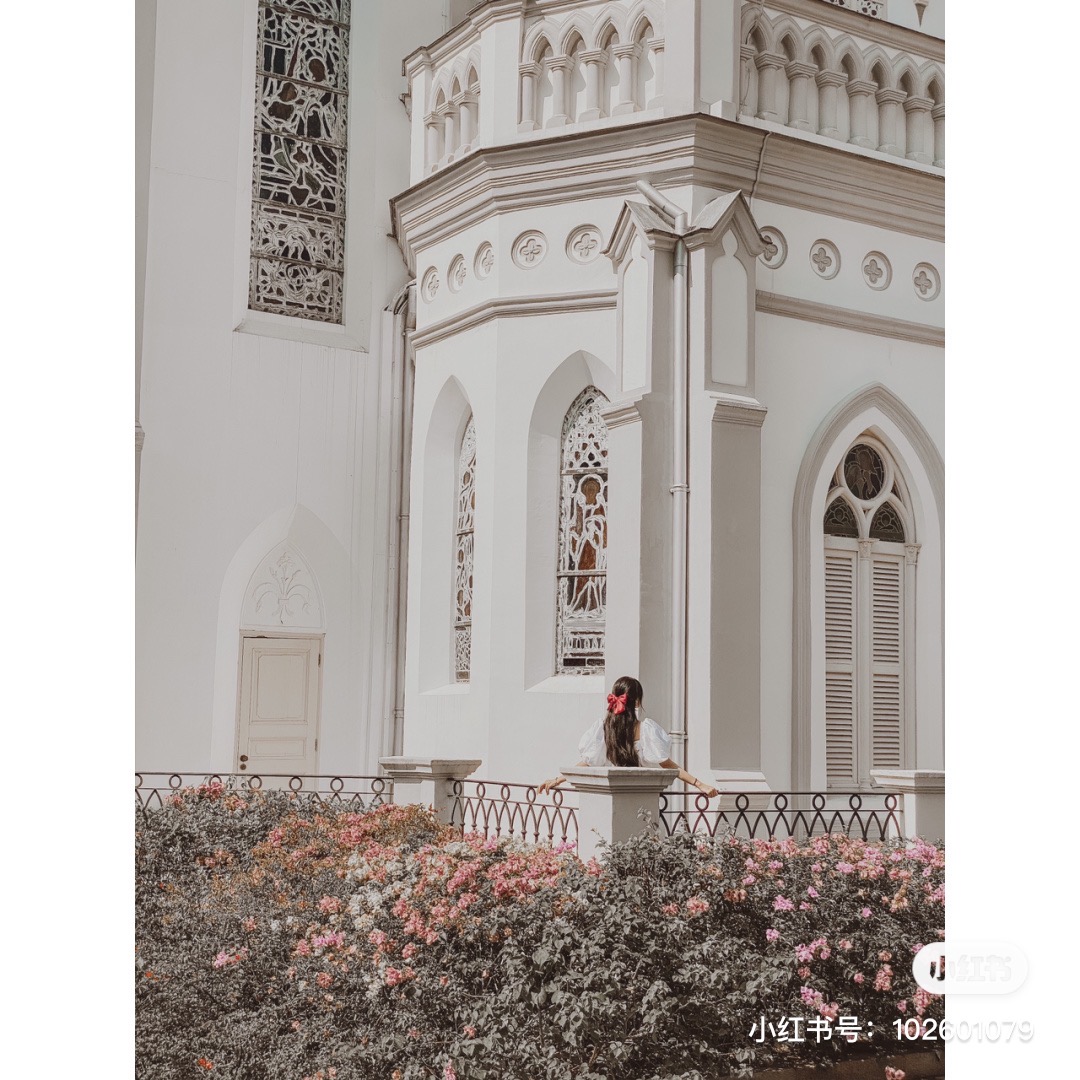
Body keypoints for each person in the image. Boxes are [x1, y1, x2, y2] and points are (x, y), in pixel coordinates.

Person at [538, 674, 719, 798]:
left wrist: (556, 780)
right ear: (638, 701)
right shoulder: (646, 731)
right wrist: (700, 784)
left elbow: (587, 762)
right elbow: (668, 765)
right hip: (641, 796)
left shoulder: (603, 730)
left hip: (611, 796)